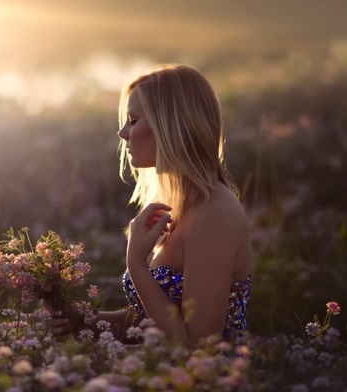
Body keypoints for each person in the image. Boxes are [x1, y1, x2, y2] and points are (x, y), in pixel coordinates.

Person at [51, 64, 252, 347]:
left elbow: (197, 346)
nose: (123, 133)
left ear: (171, 125)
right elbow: (152, 320)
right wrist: (82, 321)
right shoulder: (179, 206)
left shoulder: (214, 214)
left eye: (133, 120)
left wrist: (136, 264)